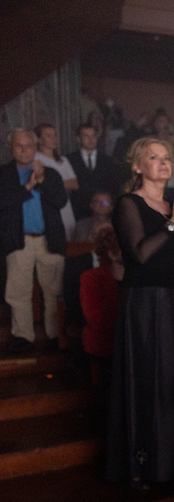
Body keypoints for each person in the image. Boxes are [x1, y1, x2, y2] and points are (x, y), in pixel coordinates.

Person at [105, 137, 174, 488]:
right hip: (145, 303)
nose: (163, 163)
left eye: (166, 158)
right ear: (137, 166)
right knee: (149, 381)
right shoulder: (128, 203)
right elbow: (139, 254)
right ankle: (147, 468)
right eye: (154, 157)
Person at [1, 129, 68, 355]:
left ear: (35, 147)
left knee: (54, 291)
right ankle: (23, 338)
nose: (24, 150)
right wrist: (27, 188)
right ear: (11, 148)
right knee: (18, 292)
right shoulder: (4, 174)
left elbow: (60, 201)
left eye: (29, 145)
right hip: (18, 240)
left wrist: (41, 180)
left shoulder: (50, 173)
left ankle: (54, 335)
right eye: (19, 146)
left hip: (49, 239)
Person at [79, 225, 122, 373]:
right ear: (111, 254)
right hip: (105, 343)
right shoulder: (91, 277)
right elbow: (95, 319)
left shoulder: (136, 275)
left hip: (131, 340)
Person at [34, 123, 78, 238]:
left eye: (55, 135)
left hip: (65, 206)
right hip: (47, 206)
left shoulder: (63, 160)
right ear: (39, 140)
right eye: (49, 136)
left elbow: (74, 184)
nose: (53, 139)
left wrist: (54, 183)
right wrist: (60, 184)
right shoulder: (36, 159)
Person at [68, 123, 117, 221]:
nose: (90, 140)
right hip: (78, 212)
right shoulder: (69, 160)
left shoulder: (108, 161)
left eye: (93, 136)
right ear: (78, 139)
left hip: (103, 212)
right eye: (86, 136)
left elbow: (113, 186)